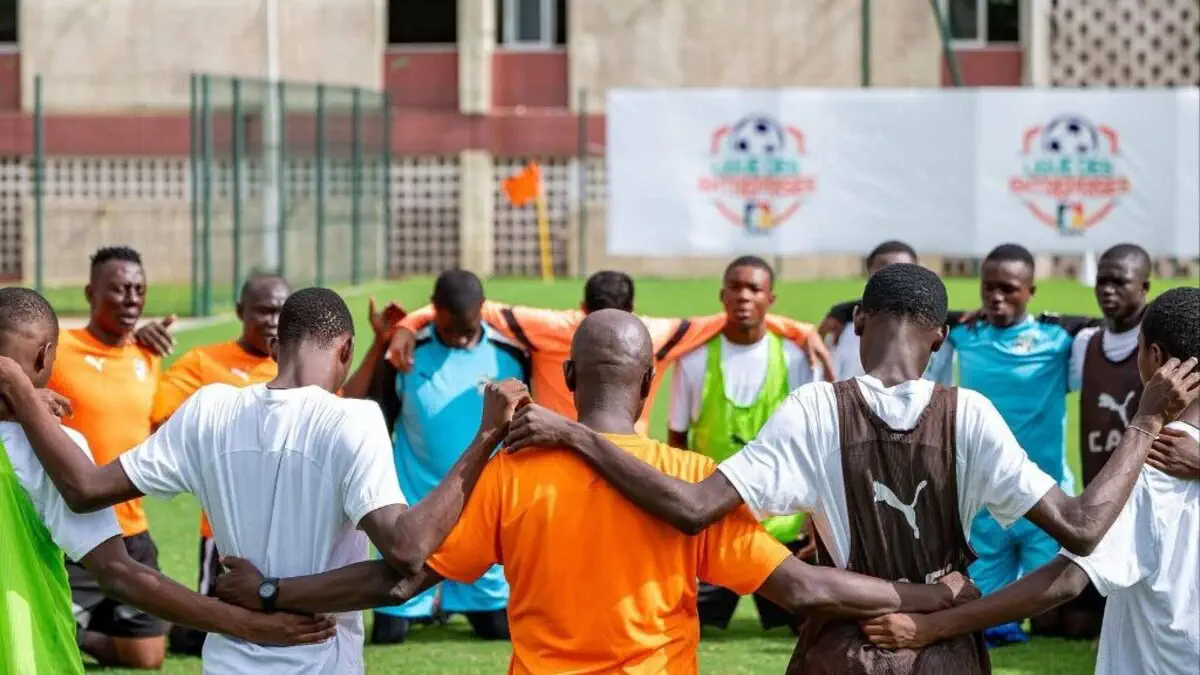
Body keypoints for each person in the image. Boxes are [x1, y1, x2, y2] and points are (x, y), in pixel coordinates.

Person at [500, 263, 1196, 674]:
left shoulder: (812, 409)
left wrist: (577, 434)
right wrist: (1144, 421)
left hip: (843, 649)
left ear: (859, 321)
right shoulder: (971, 414)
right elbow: (1081, 527)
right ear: (940, 338)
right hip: (945, 653)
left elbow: (690, 507)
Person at [210, 309, 971, 675]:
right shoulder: (690, 479)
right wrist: (928, 594)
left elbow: (402, 576)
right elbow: (803, 588)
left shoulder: (511, 471)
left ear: (569, 378)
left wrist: (274, 591)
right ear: (649, 385)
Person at [0, 286, 532, 674]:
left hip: (228, 661)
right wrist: (487, 435)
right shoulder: (353, 419)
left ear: (276, 348)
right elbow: (407, 552)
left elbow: (88, 488)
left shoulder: (207, 410)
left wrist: (265, 594)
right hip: (320, 660)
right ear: (345, 350)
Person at [0, 287, 341, 674]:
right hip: (29, 660)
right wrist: (250, 624)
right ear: (46, 356)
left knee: (145, 650)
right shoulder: (52, 453)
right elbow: (119, 574)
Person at [863, 287, 1200, 675]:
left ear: (1155, 356)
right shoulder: (1189, 460)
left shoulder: (1155, 463)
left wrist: (931, 626)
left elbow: (1067, 579)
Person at [384, 268, 834, 435]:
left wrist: (409, 323)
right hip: (621, 457)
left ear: (581, 306)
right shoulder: (654, 333)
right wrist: (797, 328)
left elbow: (480, 307)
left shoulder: (552, 327)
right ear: (632, 309)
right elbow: (725, 319)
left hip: (556, 448)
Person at [362, 270, 527, 644]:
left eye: (468, 331)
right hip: (415, 512)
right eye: (451, 331)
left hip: (481, 515)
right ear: (434, 310)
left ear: (482, 309)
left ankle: (453, 600)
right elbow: (377, 418)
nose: (461, 339)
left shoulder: (512, 355)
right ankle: (428, 603)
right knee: (388, 635)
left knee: (498, 630)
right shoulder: (404, 354)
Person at [942, 243, 1084, 645]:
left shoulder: (1058, 341)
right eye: (988, 288)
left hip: (1046, 495)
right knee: (988, 621)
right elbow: (911, 313)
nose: (996, 297)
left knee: (1049, 621)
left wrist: (1066, 320)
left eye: (1008, 289)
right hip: (984, 498)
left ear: (1031, 291)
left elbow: (1115, 324)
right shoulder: (965, 336)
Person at [669, 256, 817, 632]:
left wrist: (815, 518)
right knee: (681, 623)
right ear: (722, 295)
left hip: (781, 531)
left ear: (771, 298)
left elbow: (812, 444)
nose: (744, 296)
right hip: (715, 528)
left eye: (754, 289)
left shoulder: (794, 359)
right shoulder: (694, 359)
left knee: (810, 626)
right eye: (735, 287)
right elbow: (677, 441)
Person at [150, 273, 289, 655]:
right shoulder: (204, 361)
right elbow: (158, 415)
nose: (274, 320)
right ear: (241, 311)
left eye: (282, 311)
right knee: (211, 631)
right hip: (225, 523)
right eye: (264, 311)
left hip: (287, 517)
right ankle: (170, 625)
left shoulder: (301, 366)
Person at [44, 246, 170, 668]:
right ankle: (59, 618)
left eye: (138, 289)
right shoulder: (57, 348)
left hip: (131, 529)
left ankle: (74, 628)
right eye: (118, 289)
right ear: (90, 293)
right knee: (39, 631)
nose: (131, 299)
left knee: (147, 657)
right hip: (73, 528)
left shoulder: (147, 356)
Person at [1055, 243, 1151, 639]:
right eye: (1101, 281)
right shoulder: (1086, 343)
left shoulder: (1158, 344)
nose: (1108, 290)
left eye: (1119, 282)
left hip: (1147, 496)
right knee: (1069, 625)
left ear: (1144, 287)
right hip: (1099, 494)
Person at [818, 241, 952, 385]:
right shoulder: (842, 331)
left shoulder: (937, 335)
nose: (894, 280)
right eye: (884, 272)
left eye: (904, 271)